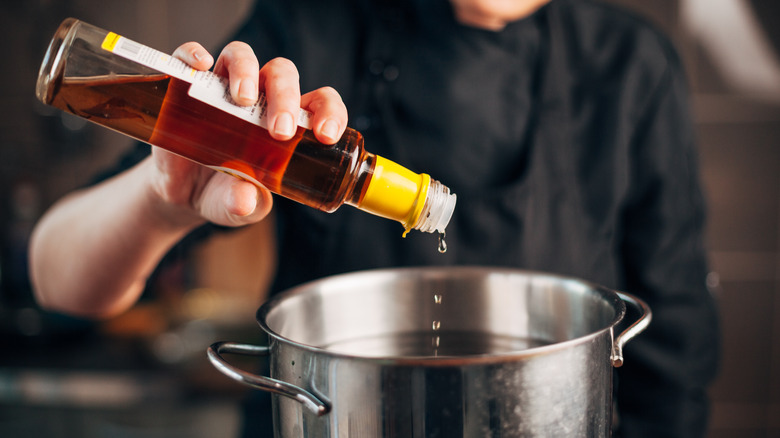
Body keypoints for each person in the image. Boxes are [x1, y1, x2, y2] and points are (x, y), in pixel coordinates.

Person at [29, 0, 720, 436]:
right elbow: (55, 280)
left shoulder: (631, 67)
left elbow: (675, 363)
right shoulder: (310, 24)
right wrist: (159, 198)